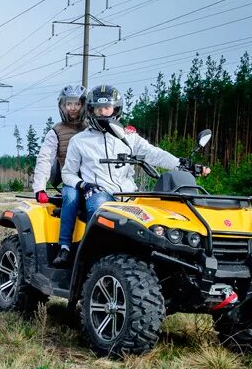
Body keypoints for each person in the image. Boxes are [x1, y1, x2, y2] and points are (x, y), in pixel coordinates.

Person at [60, 84, 209, 265]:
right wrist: (84, 185)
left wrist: (179, 163)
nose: (103, 113)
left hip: (130, 194)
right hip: (99, 192)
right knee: (100, 207)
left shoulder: (129, 137)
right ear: (91, 110)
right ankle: (93, 260)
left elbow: (154, 154)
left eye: (107, 108)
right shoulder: (80, 140)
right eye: (98, 109)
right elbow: (67, 173)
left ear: (116, 108)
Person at [32, 85, 86, 267]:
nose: (72, 108)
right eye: (68, 104)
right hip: (71, 180)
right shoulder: (55, 131)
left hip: (95, 179)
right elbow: (44, 159)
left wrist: (126, 133)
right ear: (62, 106)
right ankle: (64, 247)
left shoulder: (92, 128)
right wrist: (39, 187)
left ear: (84, 105)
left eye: (77, 103)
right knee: (70, 198)